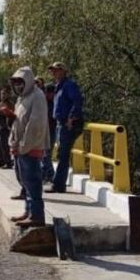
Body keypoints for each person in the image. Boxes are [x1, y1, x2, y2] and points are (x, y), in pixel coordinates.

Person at [8, 67, 50, 227]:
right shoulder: (22, 98)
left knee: (32, 182)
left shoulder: (37, 96)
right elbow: (18, 121)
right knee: (24, 182)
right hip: (20, 148)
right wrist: (14, 142)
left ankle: (37, 215)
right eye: (15, 82)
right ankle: (28, 211)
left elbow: (35, 125)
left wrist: (24, 146)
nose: (18, 85)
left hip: (31, 147)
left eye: (20, 82)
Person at [48, 62, 84, 192]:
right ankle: (58, 183)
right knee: (61, 154)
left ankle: (58, 185)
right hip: (60, 123)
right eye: (52, 71)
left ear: (63, 71)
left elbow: (77, 101)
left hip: (66, 124)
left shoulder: (69, 85)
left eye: (56, 70)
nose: (54, 73)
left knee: (63, 155)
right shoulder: (59, 86)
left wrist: (71, 118)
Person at [0, 88, 15, 169]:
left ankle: (8, 163)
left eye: (4, 94)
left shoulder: (9, 104)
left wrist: (1, 111)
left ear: (8, 95)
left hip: (5, 128)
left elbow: (10, 114)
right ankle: (1, 162)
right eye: (1, 94)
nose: (2, 95)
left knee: (5, 146)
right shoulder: (0, 103)